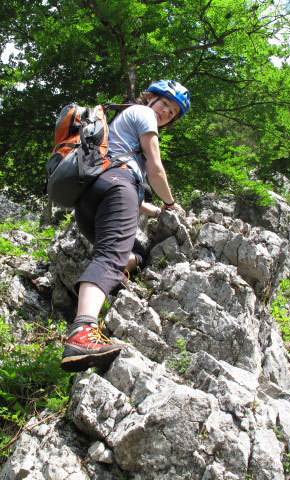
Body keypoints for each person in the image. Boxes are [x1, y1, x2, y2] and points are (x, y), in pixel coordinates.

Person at [60, 80, 191, 373]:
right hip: (117, 187)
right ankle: (83, 332)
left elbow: (127, 184)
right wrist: (170, 205)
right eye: (164, 106)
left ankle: (109, 280)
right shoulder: (142, 114)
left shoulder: (121, 122)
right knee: (109, 257)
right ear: (150, 99)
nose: (165, 114)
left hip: (90, 199)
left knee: (136, 254)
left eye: (171, 114)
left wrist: (155, 211)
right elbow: (155, 169)